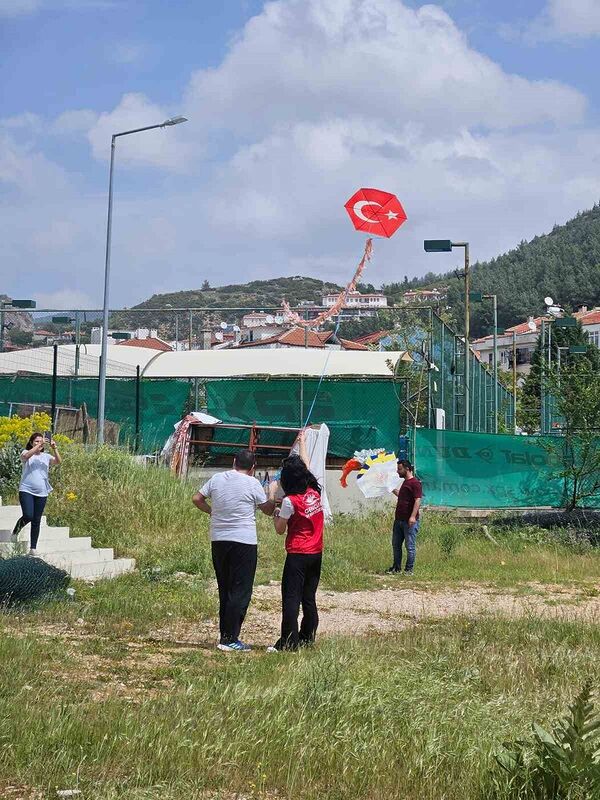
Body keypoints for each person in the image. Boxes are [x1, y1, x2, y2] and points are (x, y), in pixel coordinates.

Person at [193, 449, 275, 652]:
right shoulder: (253, 483)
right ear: (252, 467)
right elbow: (267, 509)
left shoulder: (217, 478)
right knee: (240, 590)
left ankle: (225, 635)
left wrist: (212, 511)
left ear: (233, 462)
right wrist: (272, 493)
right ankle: (230, 638)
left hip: (219, 539)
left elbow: (197, 499)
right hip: (244, 541)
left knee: (225, 588)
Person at [267, 432, 324, 651]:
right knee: (308, 597)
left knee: (291, 599)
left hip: (298, 555)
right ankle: (307, 637)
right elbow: (307, 468)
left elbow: (280, 530)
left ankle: (288, 642)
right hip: (316, 553)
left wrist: (274, 504)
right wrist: (302, 443)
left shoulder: (291, 501)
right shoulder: (313, 492)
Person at [12, 431, 62, 552]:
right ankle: (15, 532)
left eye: (41, 441)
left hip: (42, 492)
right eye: (37, 441)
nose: (40, 443)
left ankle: (33, 548)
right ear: (31, 442)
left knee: (36, 520)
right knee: (28, 515)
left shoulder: (46, 456)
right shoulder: (26, 453)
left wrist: (55, 448)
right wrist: (37, 447)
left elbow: (58, 461)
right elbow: (25, 457)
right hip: (26, 490)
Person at [388, 459, 422, 575]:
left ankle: (409, 570)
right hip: (399, 520)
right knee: (396, 545)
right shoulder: (405, 483)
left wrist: (412, 517)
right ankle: (396, 568)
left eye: (399, 469)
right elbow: (401, 495)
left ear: (407, 469)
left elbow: (418, 500)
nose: (398, 472)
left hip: (409, 521)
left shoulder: (415, 483)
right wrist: (391, 488)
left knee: (410, 546)